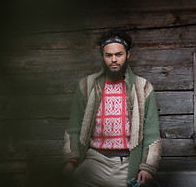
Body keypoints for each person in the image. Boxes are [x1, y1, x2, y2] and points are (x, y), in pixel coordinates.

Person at [62, 29, 162, 187]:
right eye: (109, 55)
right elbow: (73, 127)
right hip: (94, 160)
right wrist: (70, 161)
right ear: (102, 57)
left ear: (128, 55)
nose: (114, 60)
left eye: (119, 54)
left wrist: (147, 168)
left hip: (127, 163)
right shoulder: (87, 86)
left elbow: (152, 134)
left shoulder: (142, 88)